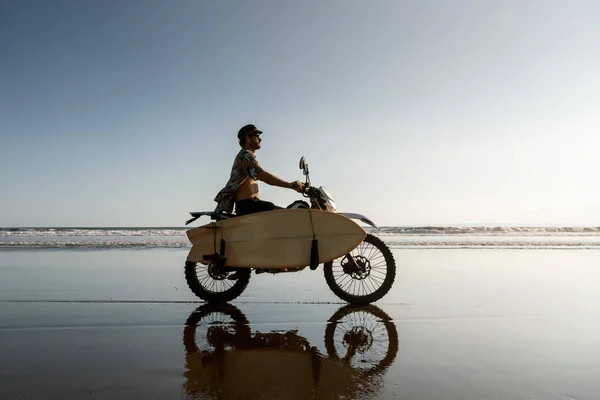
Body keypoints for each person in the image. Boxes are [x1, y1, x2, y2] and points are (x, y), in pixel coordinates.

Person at [213, 124, 304, 216]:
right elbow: (261, 175)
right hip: (249, 205)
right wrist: (290, 185)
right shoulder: (245, 156)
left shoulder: (245, 156)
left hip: (252, 204)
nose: (260, 139)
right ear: (248, 138)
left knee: (287, 213)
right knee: (289, 215)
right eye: (257, 136)